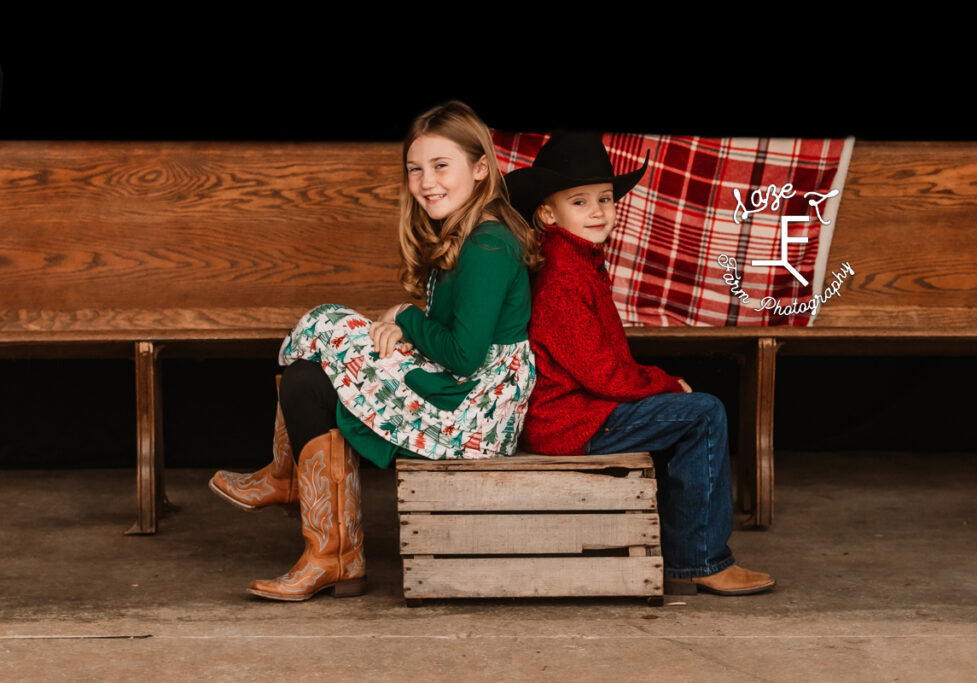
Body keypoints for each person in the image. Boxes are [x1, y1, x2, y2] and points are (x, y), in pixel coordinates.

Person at [209, 101, 541, 601]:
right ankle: (334, 558)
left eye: (440, 166)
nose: (426, 181)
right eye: (415, 169)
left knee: (325, 321)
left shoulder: (488, 244)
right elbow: (456, 334)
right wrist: (406, 330)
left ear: (480, 168)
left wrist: (404, 321)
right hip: (457, 389)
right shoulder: (466, 234)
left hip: (473, 410)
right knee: (307, 379)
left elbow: (466, 355)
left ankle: (285, 476)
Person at [504, 131, 774, 596]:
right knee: (704, 413)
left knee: (689, 416)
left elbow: (604, 364)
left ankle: (683, 548)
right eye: (580, 201)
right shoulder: (563, 278)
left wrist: (659, 388)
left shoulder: (581, 261)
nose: (598, 211)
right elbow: (603, 373)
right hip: (570, 420)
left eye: (605, 199)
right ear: (548, 214)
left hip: (585, 410)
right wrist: (667, 384)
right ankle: (702, 560)